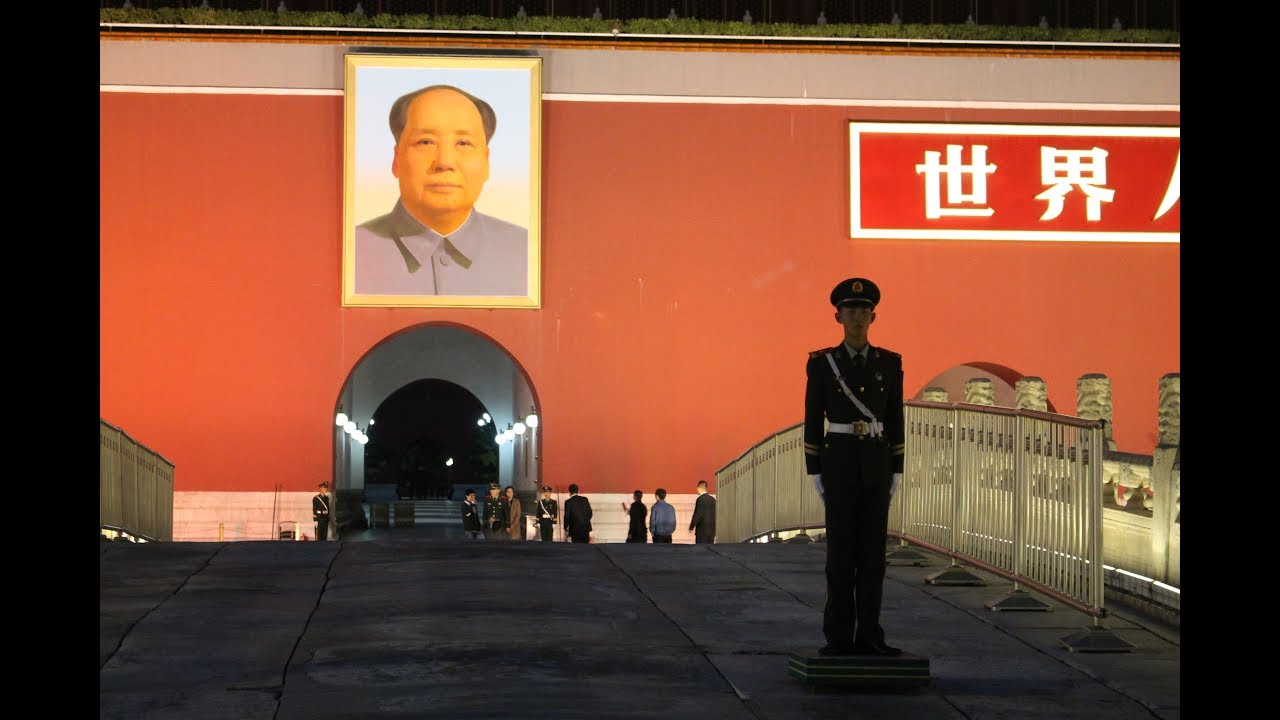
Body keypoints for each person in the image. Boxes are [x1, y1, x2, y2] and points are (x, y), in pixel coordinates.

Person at [804, 276, 906, 658]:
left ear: (873, 317)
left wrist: (897, 466)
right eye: (850, 311)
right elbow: (813, 417)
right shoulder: (822, 363)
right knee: (840, 556)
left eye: (863, 311)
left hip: (877, 464)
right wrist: (814, 469)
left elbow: (895, 417)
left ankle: (870, 636)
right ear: (838, 317)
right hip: (839, 463)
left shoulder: (890, 363)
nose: (857, 317)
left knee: (873, 556)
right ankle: (838, 637)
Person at [354, 84, 528, 297]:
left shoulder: (528, 252)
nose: (445, 162)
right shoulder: (351, 251)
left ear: (486, 162)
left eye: (463, 143)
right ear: (396, 160)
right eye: (426, 142)